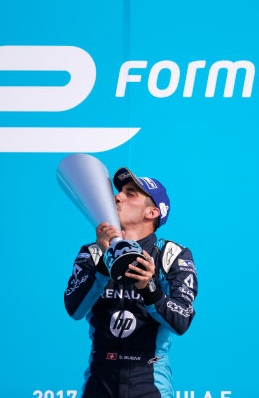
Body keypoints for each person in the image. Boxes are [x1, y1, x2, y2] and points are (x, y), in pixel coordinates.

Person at [64, 167, 198, 398]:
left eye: (130, 193)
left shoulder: (173, 255)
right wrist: (105, 264)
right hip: (100, 383)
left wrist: (149, 288)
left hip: (149, 385)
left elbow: (182, 321)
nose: (116, 197)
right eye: (119, 192)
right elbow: (74, 309)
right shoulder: (92, 252)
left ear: (152, 212)